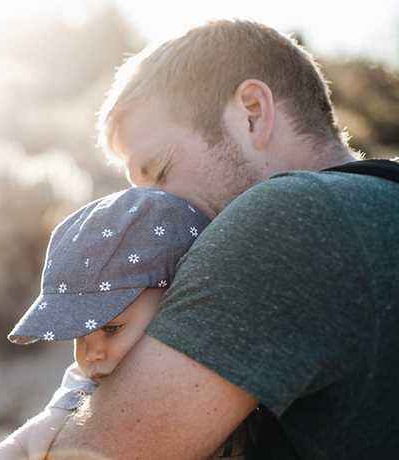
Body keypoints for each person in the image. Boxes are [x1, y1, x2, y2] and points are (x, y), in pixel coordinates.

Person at [44, 19, 399, 459]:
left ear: (252, 111)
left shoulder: (287, 217)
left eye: (160, 171)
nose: (149, 210)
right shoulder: (379, 204)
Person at [0, 187, 255, 459]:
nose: (91, 354)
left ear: (175, 299)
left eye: (111, 329)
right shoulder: (89, 383)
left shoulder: (224, 355)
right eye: (79, 335)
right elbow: (37, 434)